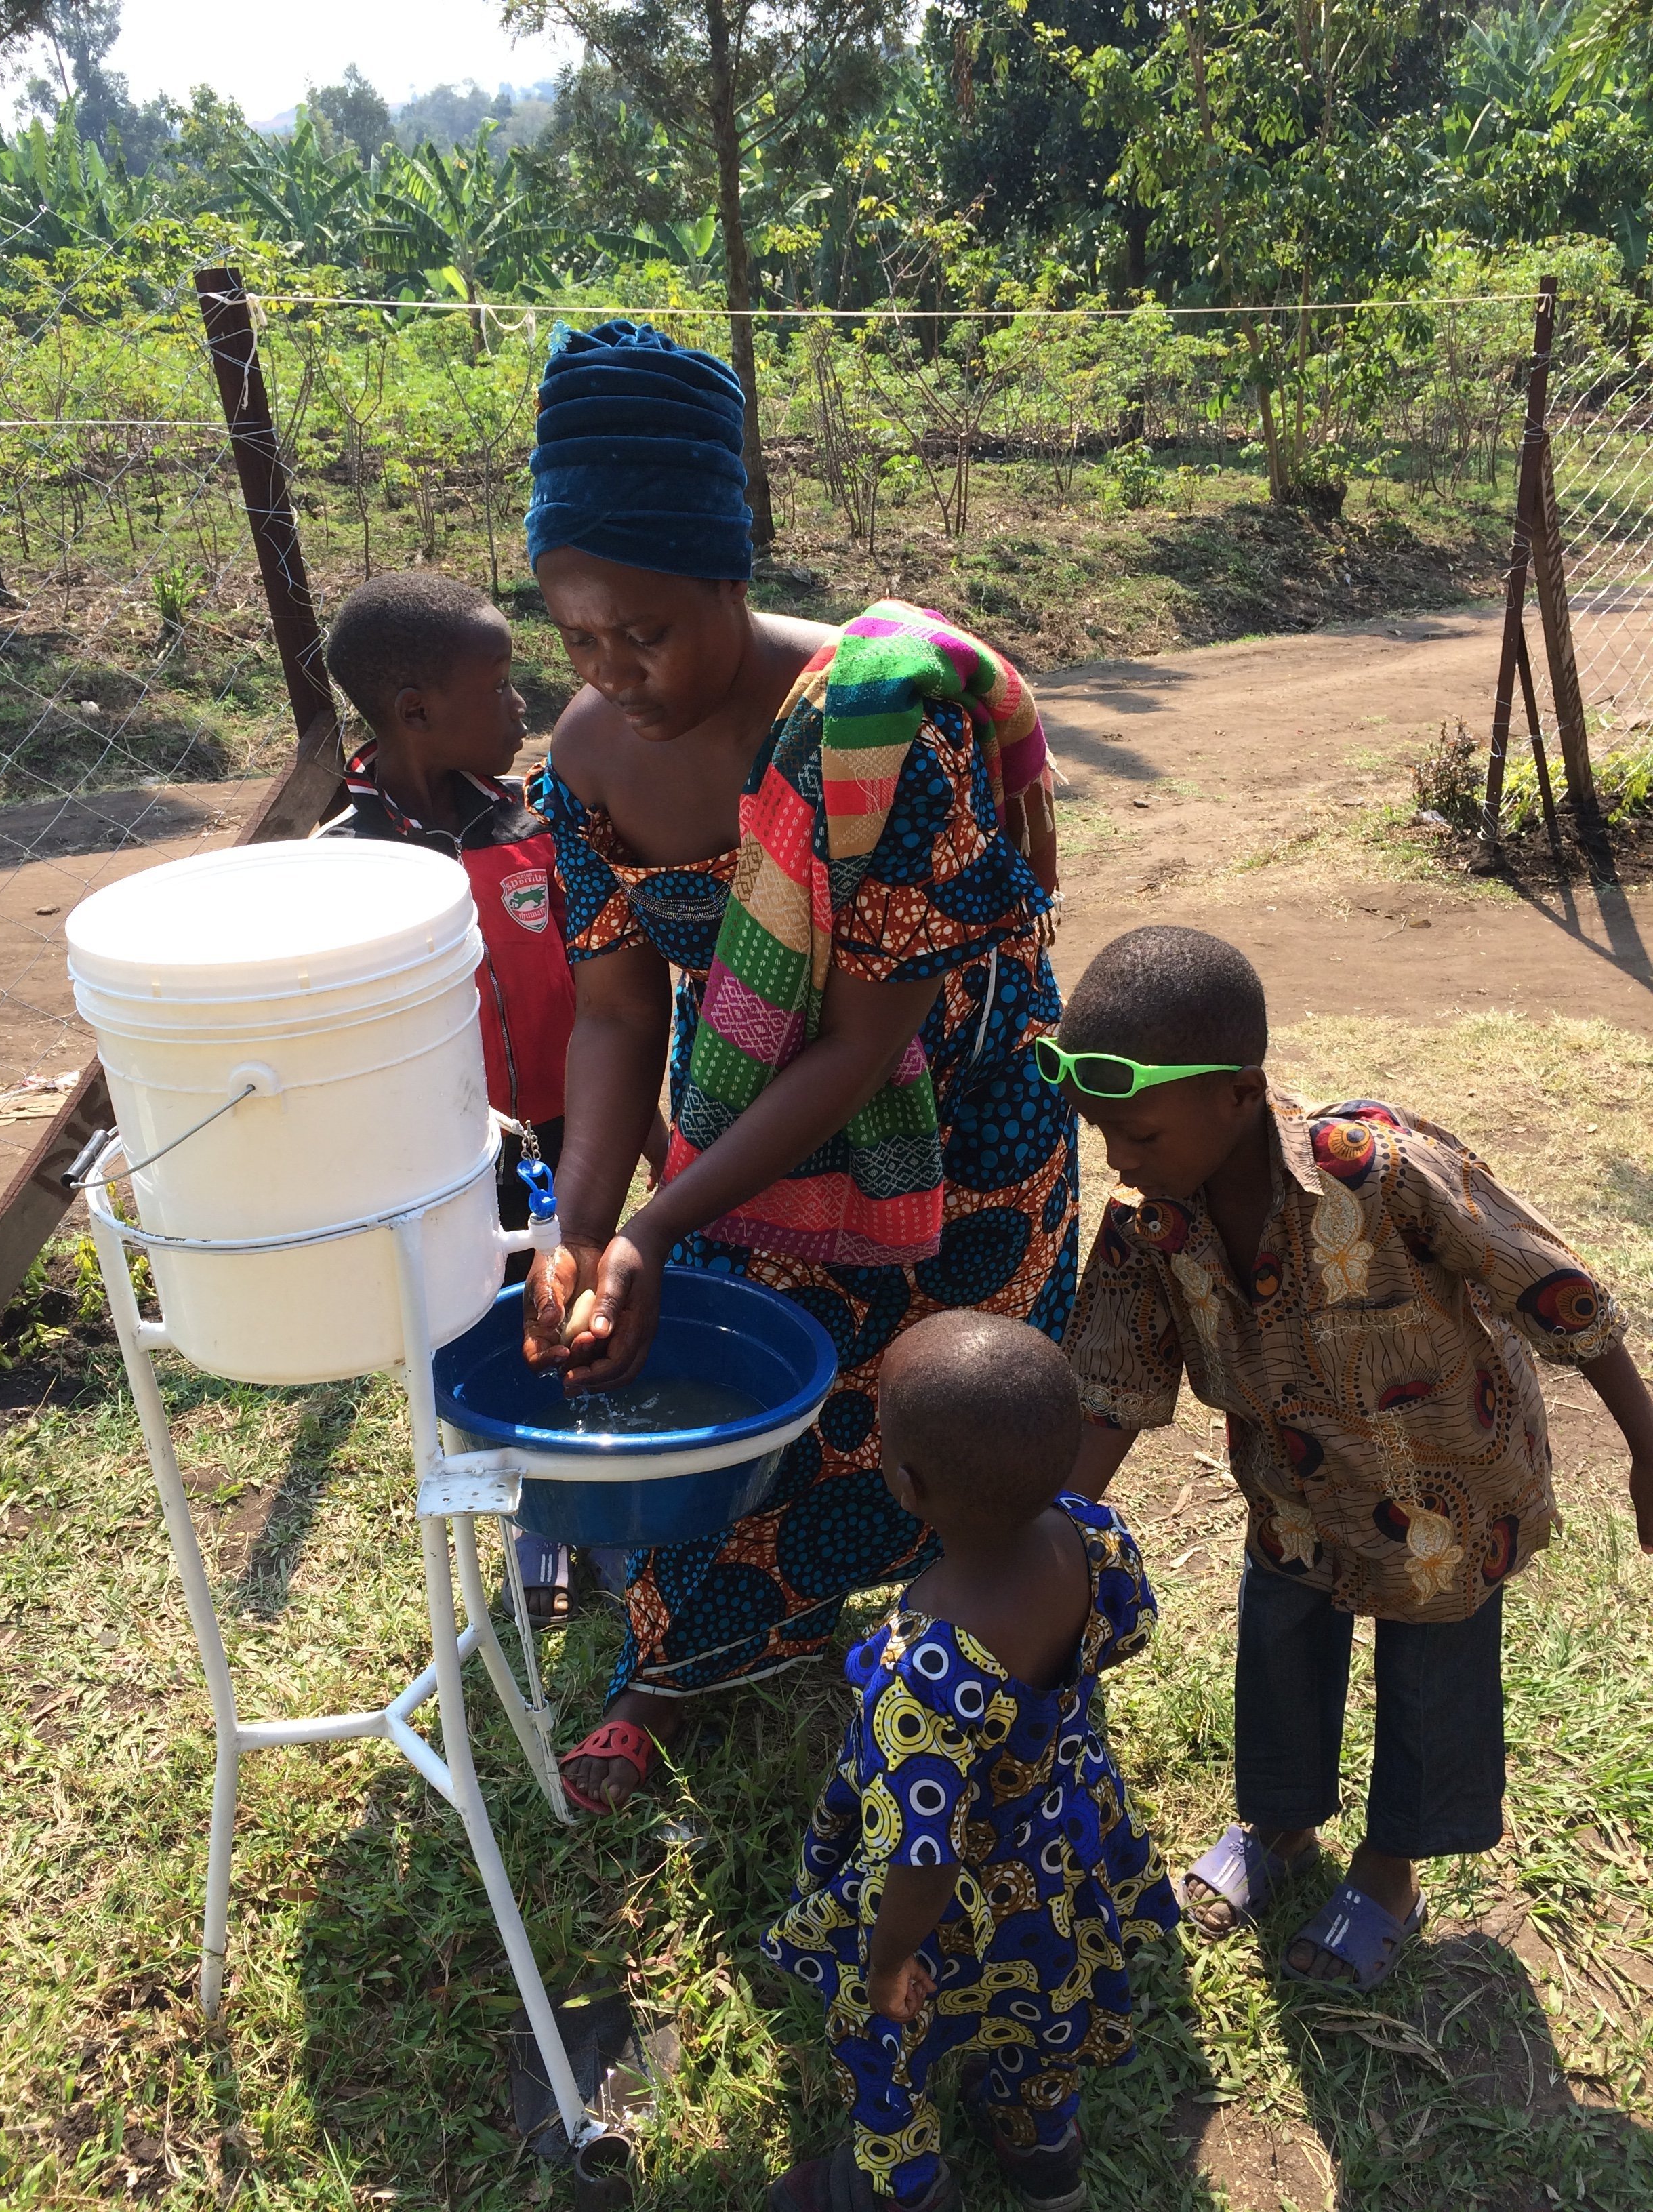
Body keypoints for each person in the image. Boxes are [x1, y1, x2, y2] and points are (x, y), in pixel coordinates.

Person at [518, 319, 1076, 1815]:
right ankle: (683, 1662)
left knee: (945, 1397)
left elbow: (871, 1037)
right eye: (576, 635)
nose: (614, 671)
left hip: (954, 1105)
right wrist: (587, 1228)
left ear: (730, 570)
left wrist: (658, 1222)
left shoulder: (867, 733)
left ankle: (961, 1655)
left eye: (644, 628)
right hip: (754, 1100)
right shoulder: (584, 762)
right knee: (739, 1375)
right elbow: (618, 1014)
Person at [1050, 924, 1653, 1991]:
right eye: (1105, 1138)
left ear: (1239, 1093)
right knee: (1279, 1647)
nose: (1120, 1161)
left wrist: (1645, 1439)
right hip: (1291, 1496)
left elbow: (1552, 1284)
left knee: (1434, 1673)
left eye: (1137, 1135)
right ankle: (1280, 1827)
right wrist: (1053, 1536)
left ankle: (1390, 1872)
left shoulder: (1377, 1171)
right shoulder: (1150, 1232)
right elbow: (1110, 1393)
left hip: (1446, 1490)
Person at [761, 1311, 1177, 2212]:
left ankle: (896, 2186)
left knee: (890, 2039)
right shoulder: (1093, 1534)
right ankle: (1041, 2150)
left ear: (906, 1483)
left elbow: (923, 1851)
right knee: (1042, 2014)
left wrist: (886, 1963)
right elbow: (1130, 1627)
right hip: (1062, 1855)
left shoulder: (924, 1670)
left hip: (949, 1916)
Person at [322, 570, 660, 1625]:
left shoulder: (529, 828)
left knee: (579, 1309)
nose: (524, 705)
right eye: (501, 683)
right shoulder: (346, 862)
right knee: (479, 1331)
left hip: (569, 1130)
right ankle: (530, 1523)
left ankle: (598, 1503)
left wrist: (646, 1129)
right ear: (415, 709)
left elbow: (600, 995)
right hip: (446, 1154)